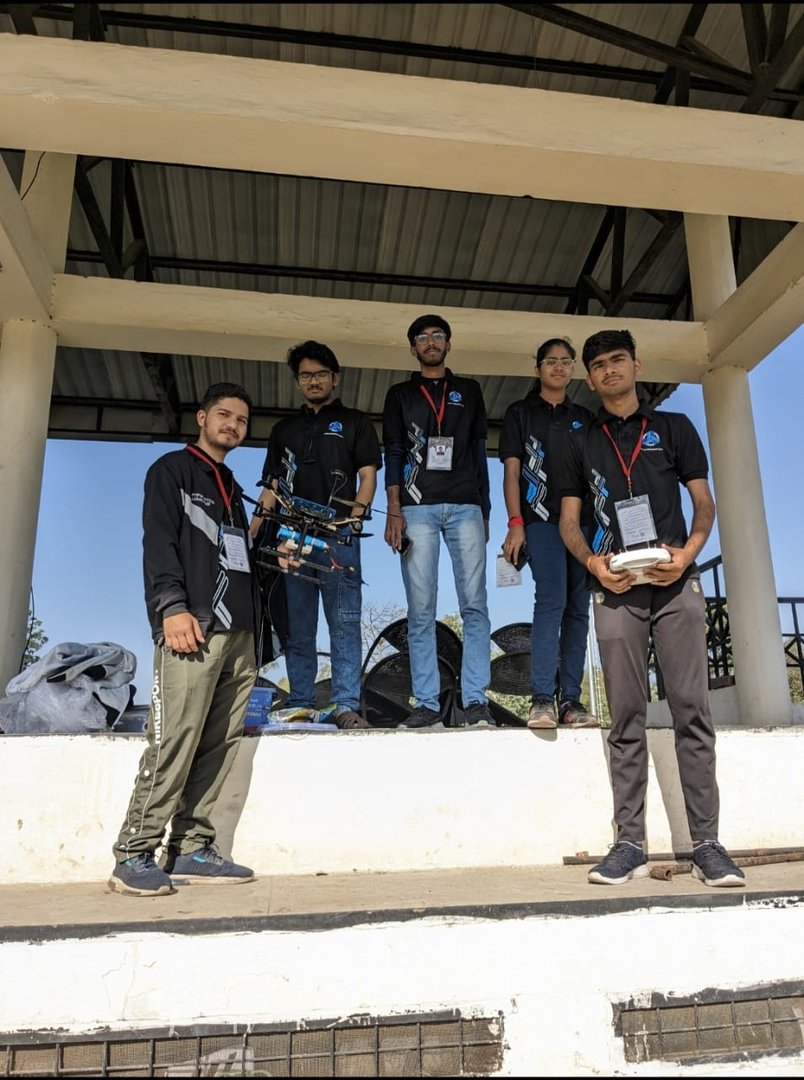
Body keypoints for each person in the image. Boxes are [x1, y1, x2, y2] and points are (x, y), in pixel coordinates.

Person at [559, 329, 745, 888]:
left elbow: (704, 503)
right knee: (625, 715)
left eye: (618, 360)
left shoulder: (675, 428)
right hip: (615, 587)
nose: (609, 371)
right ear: (589, 379)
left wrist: (687, 555)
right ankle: (629, 844)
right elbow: (570, 521)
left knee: (692, 709)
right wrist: (594, 565)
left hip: (673, 584)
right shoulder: (579, 441)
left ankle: (708, 845)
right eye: (598, 366)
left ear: (637, 365)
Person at [110, 383, 259, 897]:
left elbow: (234, 555)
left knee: (219, 745)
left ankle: (192, 847)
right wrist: (170, 608)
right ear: (201, 417)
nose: (233, 425)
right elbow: (159, 542)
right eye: (224, 415)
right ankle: (134, 852)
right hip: (192, 626)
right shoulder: (171, 470)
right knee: (174, 738)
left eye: (241, 420)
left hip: (240, 635)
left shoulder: (233, 488)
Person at [252, 341, 381, 728]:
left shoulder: (356, 421)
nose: (314, 381)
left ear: (335, 378)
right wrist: (254, 526)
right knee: (298, 622)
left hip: (337, 533)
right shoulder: (283, 429)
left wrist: (353, 521)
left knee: (344, 621)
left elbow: (368, 475)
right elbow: (273, 483)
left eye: (321, 374)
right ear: (297, 381)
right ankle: (301, 700)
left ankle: (345, 705)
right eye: (306, 375)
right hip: (291, 534)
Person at [382, 314, 493, 730]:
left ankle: (476, 700)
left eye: (438, 336)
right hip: (415, 508)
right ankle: (427, 703)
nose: (431, 342)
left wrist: (485, 510)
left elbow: (480, 450)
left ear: (448, 344)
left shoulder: (470, 390)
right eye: (423, 338)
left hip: (466, 505)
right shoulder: (399, 394)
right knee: (421, 609)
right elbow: (392, 452)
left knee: (475, 605)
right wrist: (393, 508)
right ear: (413, 348)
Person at [499, 337, 598, 730]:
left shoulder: (584, 417)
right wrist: (515, 522)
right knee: (551, 600)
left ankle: (571, 701)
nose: (559, 367)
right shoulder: (520, 413)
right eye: (551, 361)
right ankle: (541, 700)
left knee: (579, 608)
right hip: (539, 520)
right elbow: (510, 473)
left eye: (566, 362)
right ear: (537, 367)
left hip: (585, 524)